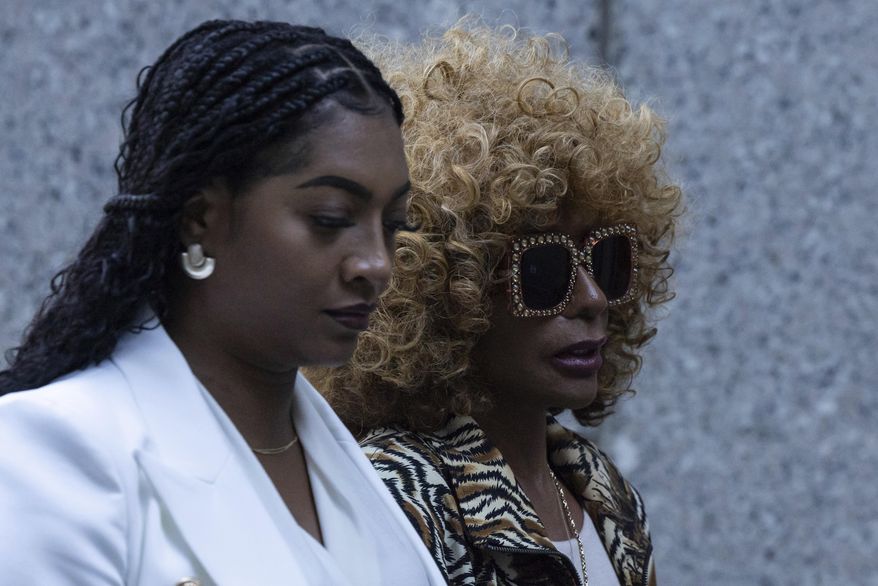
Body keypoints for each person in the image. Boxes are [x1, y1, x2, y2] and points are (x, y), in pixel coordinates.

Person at [0, 19, 446, 586]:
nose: (376, 264)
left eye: (394, 224)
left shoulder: (359, 474)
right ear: (200, 219)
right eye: (331, 218)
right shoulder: (57, 454)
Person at [311, 23, 683, 586]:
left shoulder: (603, 491)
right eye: (544, 270)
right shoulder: (391, 501)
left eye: (607, 258)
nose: (592, 297)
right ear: (446, 291)